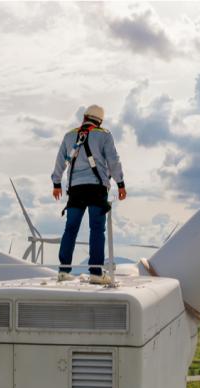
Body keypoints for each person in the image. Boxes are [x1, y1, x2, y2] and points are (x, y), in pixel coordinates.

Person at [51, 105, 126, 284]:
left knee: (70, 229)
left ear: (84, 118)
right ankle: (96, 273)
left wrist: (56, 183)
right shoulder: (104, 135)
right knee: (97, 229)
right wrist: (120, 183)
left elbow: (60, 160)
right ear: (100, 121)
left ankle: (63, 271)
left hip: (75, 189)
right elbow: (113, 160)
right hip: (96, 188)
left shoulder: (69, 135)